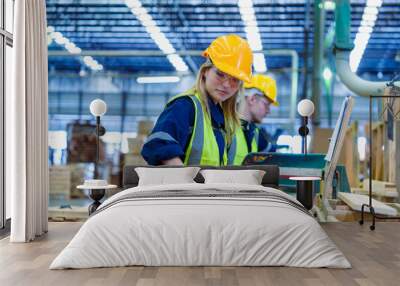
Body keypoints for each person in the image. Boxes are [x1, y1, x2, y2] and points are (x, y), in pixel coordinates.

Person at [141, 34, 253, 166]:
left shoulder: (223, 119)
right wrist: (186, 182)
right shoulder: (184, 107)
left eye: (235, 79)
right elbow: (159, 144)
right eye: (220, 74)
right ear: (205, 71)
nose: (227, 85)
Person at [227, 74, 278, 165]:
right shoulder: (224, 126)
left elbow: (272, 153)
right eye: (266, 105)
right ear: (252, 99)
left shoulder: (254, 132)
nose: (268, 111)